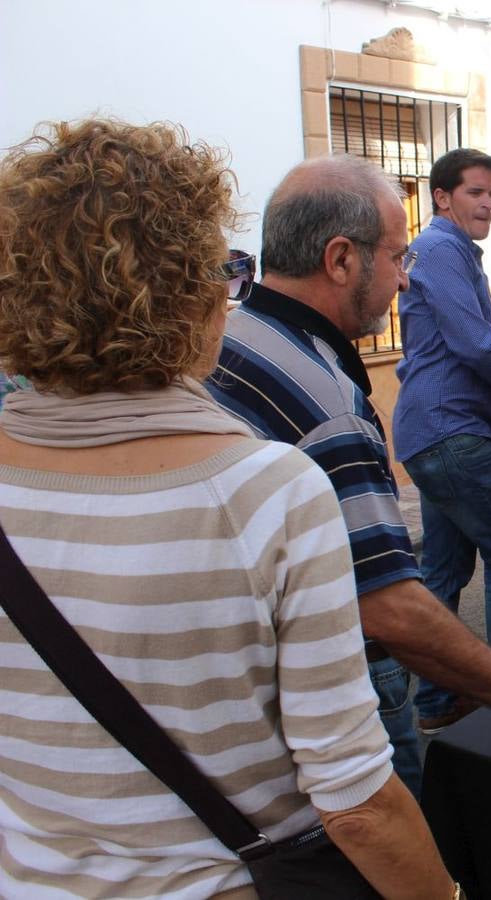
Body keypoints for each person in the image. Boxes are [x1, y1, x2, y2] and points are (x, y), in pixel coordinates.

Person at [0, 119, 453, 897]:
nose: (228, 288)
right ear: (183, 293)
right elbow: (356, 803)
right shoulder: (267, 493)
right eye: (222, 265)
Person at [208, 154, 491, 798]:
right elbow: (391, 610)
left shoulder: (234, 337)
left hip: (257, 687)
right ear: (341, 260)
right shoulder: (330, 405)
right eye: (397, 259)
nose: (405, 280)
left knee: (443, 570)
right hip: (338, 688)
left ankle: (440, 699)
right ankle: (481, 719)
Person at [391, 148, 491, 734]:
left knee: (444, 572)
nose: (488, 205)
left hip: (432, 433)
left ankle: (433, 706)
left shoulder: (444, 250)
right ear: (442, 198)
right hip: (454, 430)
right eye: (476, 192)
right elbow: (479, 346)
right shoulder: (442, 248)